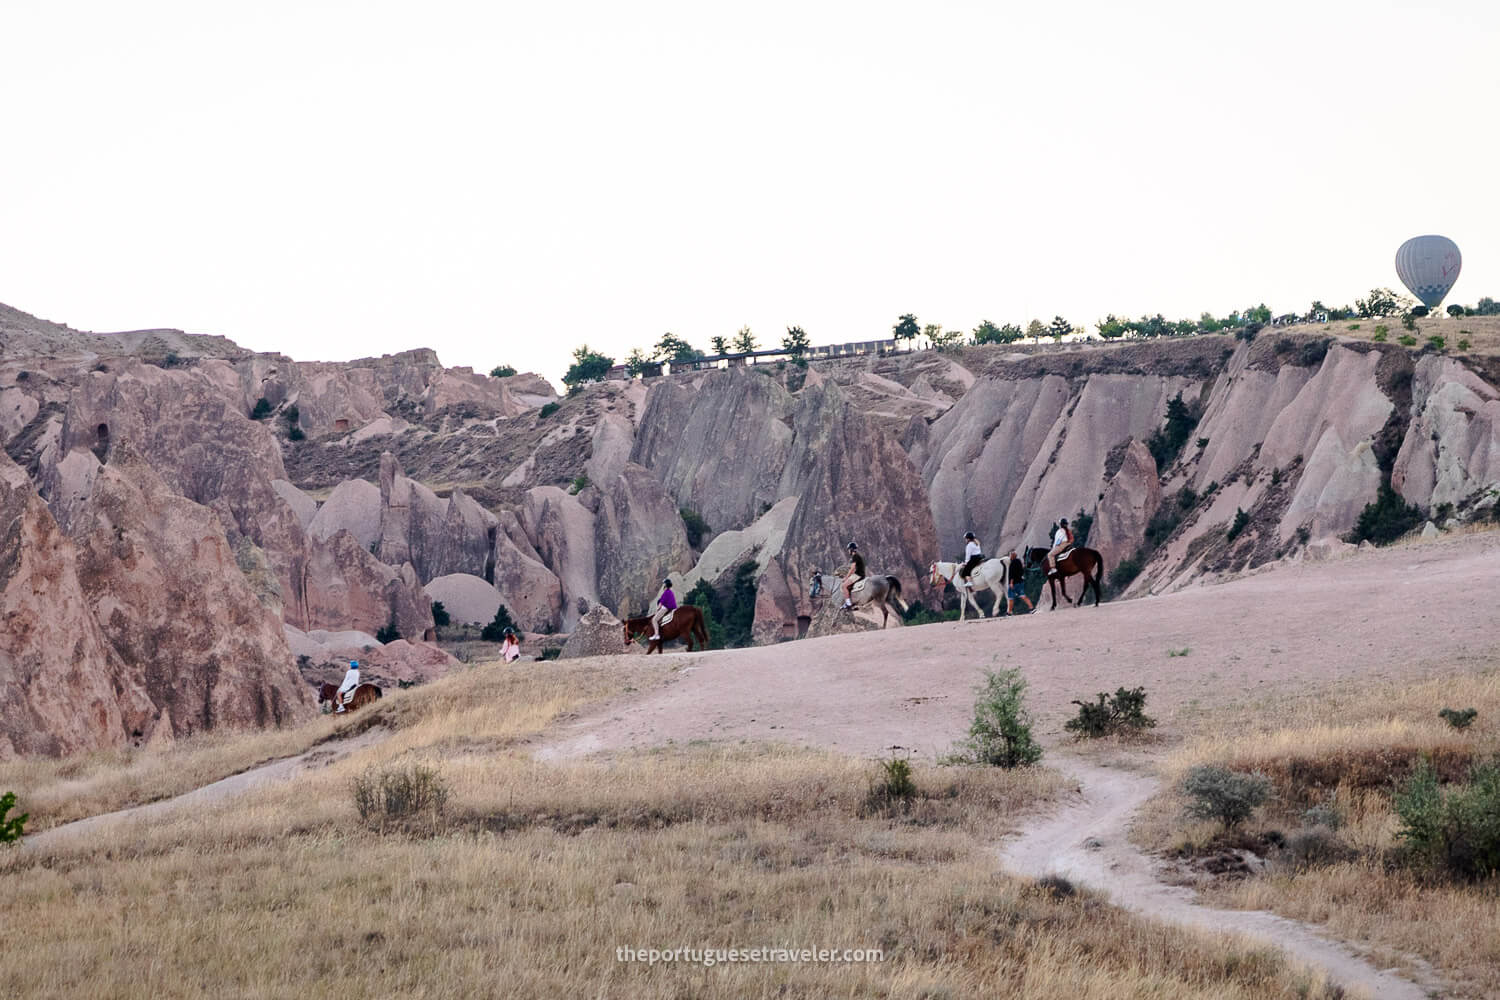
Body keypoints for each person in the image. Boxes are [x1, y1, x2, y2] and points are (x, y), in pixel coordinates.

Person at [841, 542, 866, 609]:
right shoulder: (857, 556)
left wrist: (846, 577)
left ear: (851, 549)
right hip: (859, 574)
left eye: (849, 549)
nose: (848, 551)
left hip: (858, 575)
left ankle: (848, 604)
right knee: (848, 586)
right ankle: (851, 600)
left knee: (843, 586)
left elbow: (852, 568)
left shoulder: (854, 556)